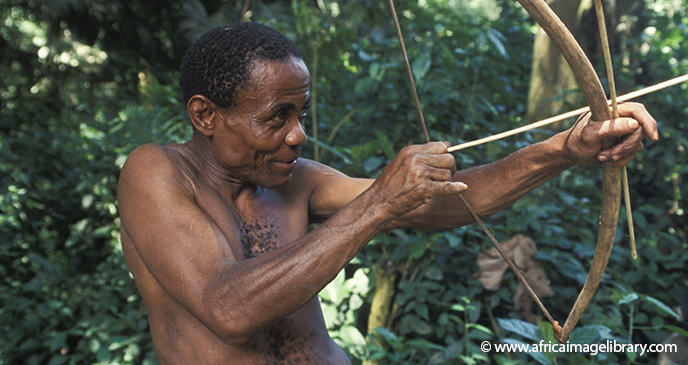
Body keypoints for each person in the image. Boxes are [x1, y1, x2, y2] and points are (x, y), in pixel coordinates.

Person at [117, 22, 658, 364]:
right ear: (205, 115)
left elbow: (445, 204)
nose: (298, 135)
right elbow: (226, 310)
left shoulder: (295, 176)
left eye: (300, 114)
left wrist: (564, 149)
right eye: (276, 118)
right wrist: (378, 203)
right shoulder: (157, 172)